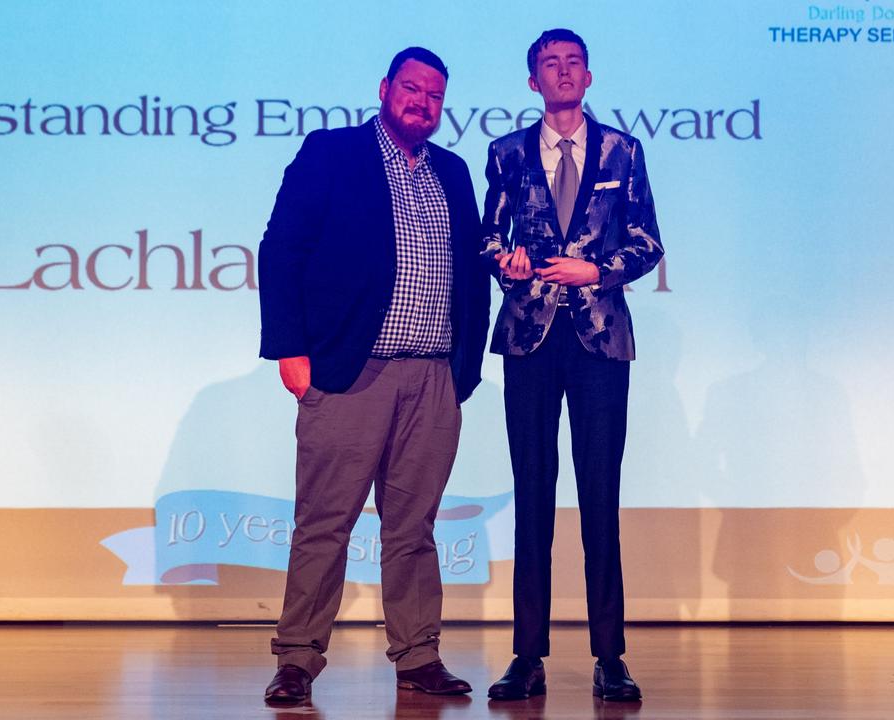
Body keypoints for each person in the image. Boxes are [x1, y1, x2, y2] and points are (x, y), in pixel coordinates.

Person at [256, 46, 490, 704]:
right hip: (350, 371)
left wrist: (463, 368)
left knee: (413, 528)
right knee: (325, 522)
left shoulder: (453, 170)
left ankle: (418, 656)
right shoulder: (332, 153)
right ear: (385, 89)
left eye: (435, 95)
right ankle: (298, 658)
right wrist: (288, 346)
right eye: (412, 88)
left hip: (433, 377)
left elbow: (471, 272)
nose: (423, 102)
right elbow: (282, 249)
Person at [480, 29, 664, 703]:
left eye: (572, 63)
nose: (562, 73)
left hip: (599, 339)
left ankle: (609, 655)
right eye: (548, 65)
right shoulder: (505, 153)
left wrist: (599, 269)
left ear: (589, 77)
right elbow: (488, 236)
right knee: (532, 495)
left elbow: (647, 242)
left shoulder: (624, 150)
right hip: (530, 336)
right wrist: (507, 261)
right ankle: (527, 654)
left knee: (599, 498)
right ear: (533, 82)